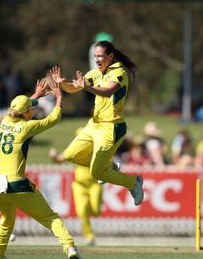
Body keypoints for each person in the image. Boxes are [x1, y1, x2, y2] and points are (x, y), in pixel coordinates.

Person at [0, 79, 84, 259]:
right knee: (50, 217)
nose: (33, 110)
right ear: (27, 113)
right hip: (16, 183)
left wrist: (35, 97)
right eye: (31, 108)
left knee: (7, 218)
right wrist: (59, 97)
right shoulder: (27, 127)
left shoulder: (5, 121)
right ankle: (70, 247)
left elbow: (20, 109)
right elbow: (54, 118)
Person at [49, 40, 144, 206]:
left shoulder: (119, 72)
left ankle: (133, 183)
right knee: (71, 155)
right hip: (94, 125)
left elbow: (107, 92)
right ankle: (110, 165)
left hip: (111, 127)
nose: (97, 59)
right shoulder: (95, 73)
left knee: (97, 173)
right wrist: (61, 83)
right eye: (95, 56)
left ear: (111, 56)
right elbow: (74, 87)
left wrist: (87, 87)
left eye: (100, 56)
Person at [49, 127, 111, 246]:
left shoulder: (97, 150)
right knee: (82, 211)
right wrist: (53, 156)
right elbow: (59, 160)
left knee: (96, 211)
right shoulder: (75, 151)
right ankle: (89, 235)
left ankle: (91, 215)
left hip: (94, 184)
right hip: (79, 185)